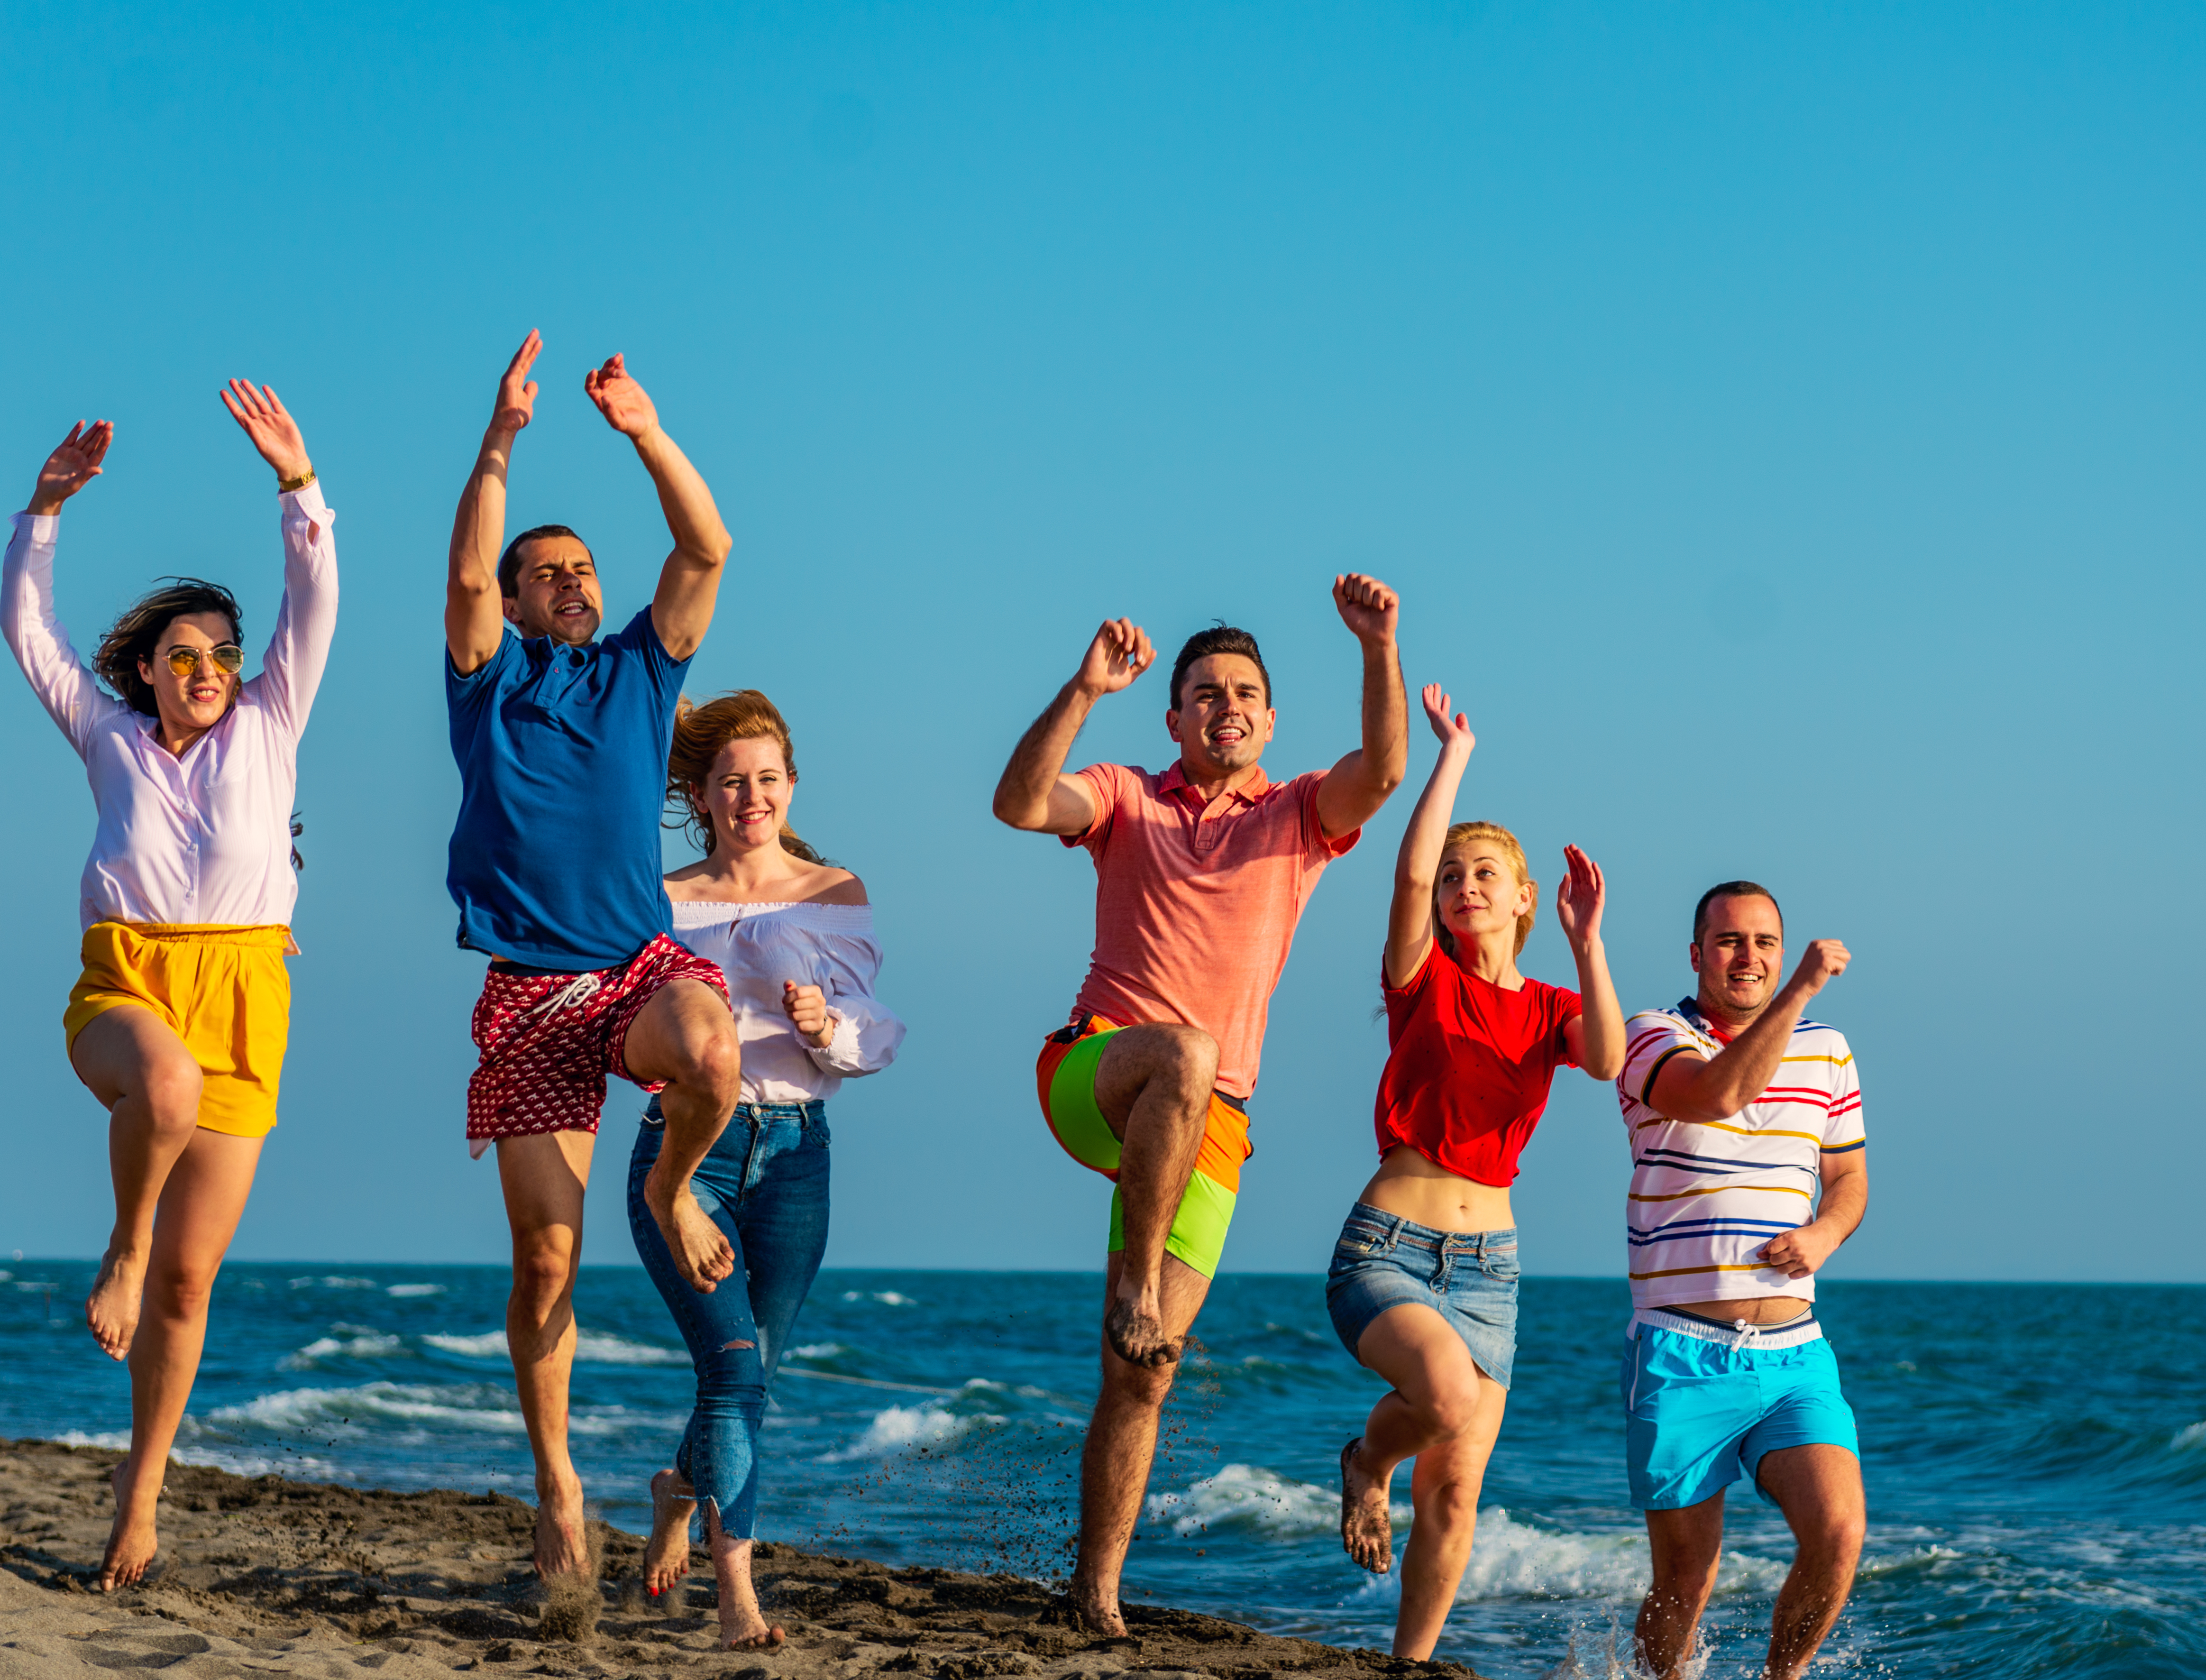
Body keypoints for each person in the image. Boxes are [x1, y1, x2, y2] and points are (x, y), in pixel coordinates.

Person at [988, 580, 1410, 1635]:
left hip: (1213, 1122)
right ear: (1174, 718)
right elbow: (1019, 804)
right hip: (1097, 1072)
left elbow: (1387, 771)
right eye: (1206, 692)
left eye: (1248, 693)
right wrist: (1084, 690)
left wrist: (1377, 649)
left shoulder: (1299, 819)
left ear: (1270, 721)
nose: (1228, 704)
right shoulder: (1128, 796)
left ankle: (1095, 1592)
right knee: (1185, 1051)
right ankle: (1131, 1283)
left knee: (1145, 1374)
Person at [0, 382, 337, 1590]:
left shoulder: (273, 721)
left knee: (195, 1287)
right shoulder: (107, 735)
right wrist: (44, 513)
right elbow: (30, 636)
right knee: (167, 1089)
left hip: (251, 991)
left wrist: (299, 487)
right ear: (143, 671)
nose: (206, 669)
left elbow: (315, 601)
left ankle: (139, 1503)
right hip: (129, 980)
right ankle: (122, 1245)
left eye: (220, 655)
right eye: (181, 656)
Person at [442, 329, 743, 1594]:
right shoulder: (488, 678)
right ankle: (559, 1481)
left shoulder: (640, 668)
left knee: (712, 1053)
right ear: (513, 602)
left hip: (633, 969)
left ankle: (671, 1190)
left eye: (582, 567)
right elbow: (462, 574)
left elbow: (708, 548)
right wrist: (501, 441)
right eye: (544, 571)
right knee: (546, 1263)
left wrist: (645, 432)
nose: (569, 580)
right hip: (527, 990)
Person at [1326, 684, 1625, 1662]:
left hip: (1490, 1268)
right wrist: (1455, 754)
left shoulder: (1547, 1007)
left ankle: (1406, 1663)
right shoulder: (1422, 981)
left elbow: (1613, 1060)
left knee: (1455, 1489)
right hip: (1389, 1249)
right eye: (1459, 872)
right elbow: (1408, 882)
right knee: (1443, 1400)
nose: (1466, 885)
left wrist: (1589, 947)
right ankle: (1365, 1461)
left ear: (1525, 896)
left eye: (1487, 872)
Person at [637, 690, 900, 1651]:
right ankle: (737, 1595)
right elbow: (623, 1021)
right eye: (731, 781)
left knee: (743, 1377)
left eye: (767, 780)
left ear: (792, 788)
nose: (751, 796)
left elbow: (871, 1026)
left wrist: (827, 1027)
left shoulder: (835, 892)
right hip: (685, 1156)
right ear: (701, 796)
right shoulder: (657, 896)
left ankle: (678, 1486)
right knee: (737, 1377)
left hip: (797, 1154)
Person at [1617, 884, 1867, 1680]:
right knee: (1685, 1583)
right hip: (1682, 1352)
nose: (1749, 957)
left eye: (1765, 942)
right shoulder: (1652, 1037)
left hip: (1794, 1353)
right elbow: (1720, 1091)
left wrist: (1825, 1234)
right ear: (1697, 955)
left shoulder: (1827, 1049)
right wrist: (1799, 986)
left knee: (1838, 1533)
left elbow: (1850, 1177)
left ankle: (1780, 1678)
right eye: (1730, 941)